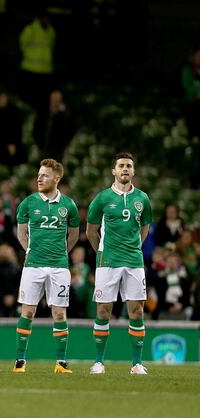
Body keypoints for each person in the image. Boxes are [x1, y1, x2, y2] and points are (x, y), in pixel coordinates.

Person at [87, 153, 153, 375]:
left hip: (134, 261)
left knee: (137, 310)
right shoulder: (103, 198)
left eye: (129, 166)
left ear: (133, 171)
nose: (125, 169)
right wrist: (102, 253)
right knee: (103, 310)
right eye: (121, 166)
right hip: (108, 262)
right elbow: (91, 230)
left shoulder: (142, 199)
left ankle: (136, 364)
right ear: (113, 171)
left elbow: (144, 228)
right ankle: (98, 362)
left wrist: (133, 247)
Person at [13, 159, 80, 374]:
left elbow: (74, 235)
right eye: (39, 174)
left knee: (59, 314)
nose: (39, 178)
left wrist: (60, 253)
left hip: (59, 266)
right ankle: (20, 360)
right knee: (28, 311)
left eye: (45, 175)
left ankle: (61, 363)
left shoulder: (68, 205)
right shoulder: (28, 203)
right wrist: (29, 251)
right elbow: (21, 233)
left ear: (57, 178)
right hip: (33, 265)